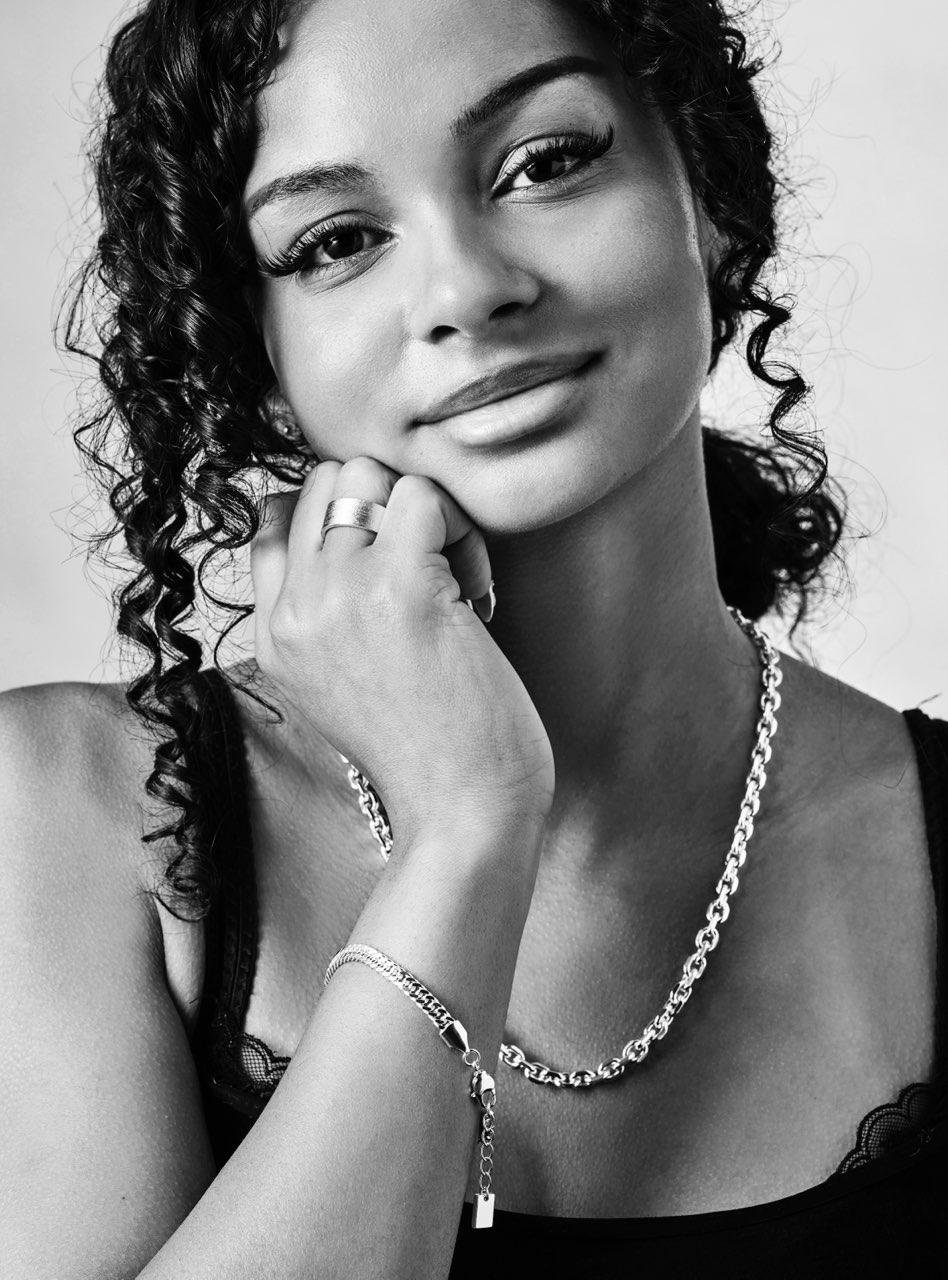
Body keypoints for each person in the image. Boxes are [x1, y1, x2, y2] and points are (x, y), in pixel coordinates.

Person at [1, 0, 944, 1275]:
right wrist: (465, 826)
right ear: (258, 356)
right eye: (337, 241)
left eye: (548, 162)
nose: (463, 288)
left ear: (706, 190)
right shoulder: (66, 816)